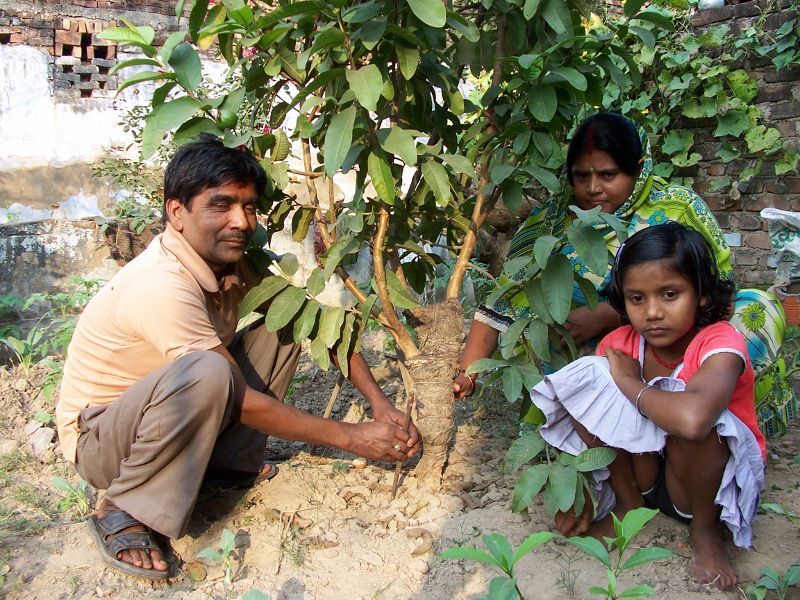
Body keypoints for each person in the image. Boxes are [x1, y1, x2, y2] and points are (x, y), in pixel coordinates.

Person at [55, 134, 420, 580]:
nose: (241, 222)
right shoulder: (161, 284)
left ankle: (225, 465)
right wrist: (352, 436)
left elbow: (317, 321)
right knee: (209, 370)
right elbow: (237, 396)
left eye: (248, 207)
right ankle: (124, 506)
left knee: (287, 316)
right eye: (221, 205)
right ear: (177, 213)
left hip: (164, 421)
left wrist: (380, 403)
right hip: (105, 444)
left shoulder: (233, 262)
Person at [454, 112, 784, 429]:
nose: (593, 188)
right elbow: (505, 296)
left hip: (683, 341)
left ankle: (712, 422)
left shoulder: (678, 208)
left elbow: (717, 291)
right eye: (582, 176)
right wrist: (468, 372)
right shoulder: (552, 220)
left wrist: (609, 313)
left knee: (757, 311)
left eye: (608, 175)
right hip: (595, 353)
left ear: (638, 169)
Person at [531, 223, 765, 590]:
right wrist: (583, 494)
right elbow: (593, 415)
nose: (652, 312)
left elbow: (692, 422)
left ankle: (705, 532)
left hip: (706, 483)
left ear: (702, 295)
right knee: (589, 378)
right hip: (646, 472)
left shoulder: (720, 343)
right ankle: (628, 504)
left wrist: (631, 384)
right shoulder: (620, 342)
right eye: (637, 298)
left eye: (670, 294)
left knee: (700, 418)